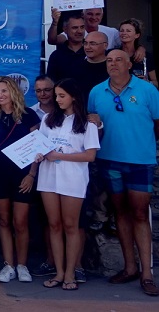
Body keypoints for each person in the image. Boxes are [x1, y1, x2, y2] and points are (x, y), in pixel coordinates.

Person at [88, 49, 159, 297]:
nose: (113, 64)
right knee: (120, 212)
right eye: (109, 60)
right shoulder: (96, 92)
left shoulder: (148, 90)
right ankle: (129, 267)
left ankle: (147, 274)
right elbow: (91, 128)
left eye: (119, 59)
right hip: (109, 161)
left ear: (130, 63)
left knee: (140, 214)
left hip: (140, 162)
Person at [33, 79, 99, 291]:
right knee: (54, 225)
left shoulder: (87, 124)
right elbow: (39, 146)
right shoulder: (48, 120)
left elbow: (90, 156)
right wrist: (38, 155)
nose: (57, 99)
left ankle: (71, 272)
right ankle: (59, 271)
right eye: (57, 96)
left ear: (74, 97)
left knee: (71, 226)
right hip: (48, 178)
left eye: (62, 96)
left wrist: (59, 156)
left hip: (73, 179)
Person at [0, 76, 41, 283]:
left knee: (20, 222)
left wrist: (32, 174)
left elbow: (38, 146)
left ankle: (22, 265)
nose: (0, 95)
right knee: (4, 220)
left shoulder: (29, 115)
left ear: (13, 91)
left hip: (23, 175)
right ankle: (8, 266)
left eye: (4, 91)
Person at [49, 7, 122, 50]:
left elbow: (128, 42)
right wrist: (55, 22)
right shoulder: (76, 32)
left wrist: (134, 50)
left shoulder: (112, 32)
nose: (94, 17)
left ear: (102, 16)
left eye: (97, 14)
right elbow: (53, 40)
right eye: (90, 14)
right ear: (83, 15)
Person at [47, 12, 87, 84]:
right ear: (65, 29)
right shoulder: (56, 56)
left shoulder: (92, 51)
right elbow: (51, 82)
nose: (79, 31)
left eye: (82, 27)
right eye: (75, 28)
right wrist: (55, 23)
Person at [119, 18, 158, 88]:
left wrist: (148, 82)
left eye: (128, 31)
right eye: (122, 30)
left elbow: (155, 82)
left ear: (137, 35)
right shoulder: (113, 54)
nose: (124, 33)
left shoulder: (146, 56)